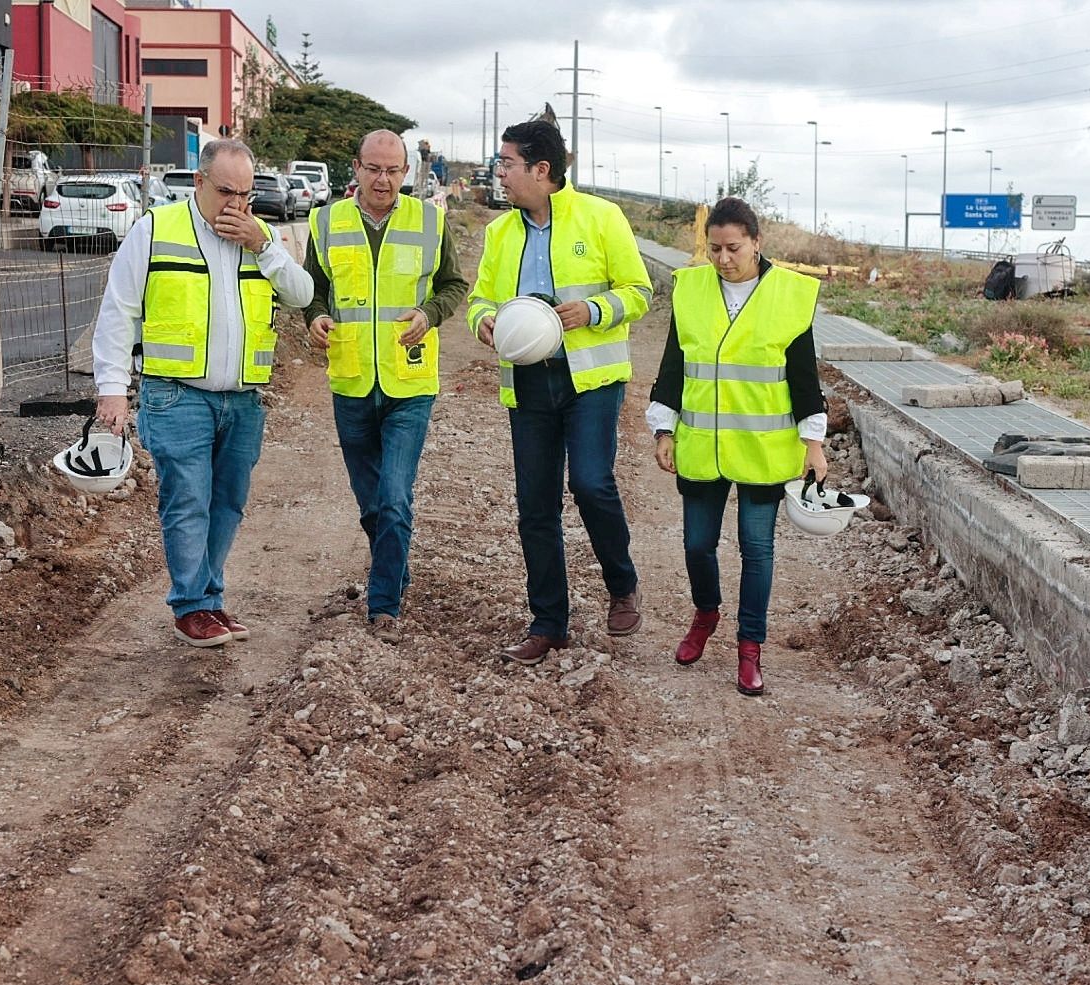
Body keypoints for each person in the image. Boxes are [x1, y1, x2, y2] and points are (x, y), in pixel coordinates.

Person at [93, 139, 314, 647]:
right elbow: (118, 312)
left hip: (242, 401)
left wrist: (263, 245)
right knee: (189, 499)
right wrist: (112, 390)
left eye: (245, 194)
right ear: (198, 182)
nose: (236, 205)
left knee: (228, 503)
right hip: (177, 396)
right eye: (225, 192)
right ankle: (191, 605)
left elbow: (301, 295)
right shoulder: (156, 230)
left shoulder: (262, 239)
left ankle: (209, 600)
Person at [468, 119, 653, 666]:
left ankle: (622, 584)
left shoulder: (601, 218)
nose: (499, 173)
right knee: (535, 506)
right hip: (528, 382)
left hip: (589, 379)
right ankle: (549, 624)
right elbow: (479, 298)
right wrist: (483, 322)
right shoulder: (500, 233)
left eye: (507, 163)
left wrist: (594, 310)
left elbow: (639, 291)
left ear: (541, 170)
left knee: (592, 483)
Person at [648, 197, 826, 697]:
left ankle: (750, 648)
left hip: (763, 450)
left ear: (756, 242)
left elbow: (803, 376)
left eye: (733, 248)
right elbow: (673, 366)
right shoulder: (691, 289)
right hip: (702, 445)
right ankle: (706, 613)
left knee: (757, 548)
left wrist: (814, 443)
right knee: (697, 545)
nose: (723, 259)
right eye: (714, 249)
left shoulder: (789, 295)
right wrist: (665, 429)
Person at [303, 130, 468, 643]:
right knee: (371, 504)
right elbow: (314, 290)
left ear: (407, 172)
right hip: (351, 378)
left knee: (395, 497)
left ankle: (383, 607)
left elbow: (453, 285)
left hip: (409, 377)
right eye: (374, 169)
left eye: (394, 170)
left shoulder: (430, 221)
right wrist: (314, 319)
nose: (383, 179)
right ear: (355, 167)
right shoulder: (326, 221)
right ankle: (395, 570)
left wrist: (429, 312)